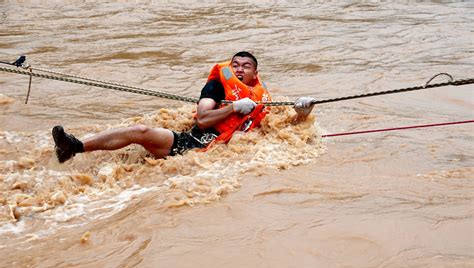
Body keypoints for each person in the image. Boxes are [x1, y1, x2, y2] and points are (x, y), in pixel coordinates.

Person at [52, 51, 316, 163]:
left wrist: (301, 114)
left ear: (256, 73)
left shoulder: (261, 97)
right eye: (234, 64)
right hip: (191, 145)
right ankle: (75, 147)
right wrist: (234, 106)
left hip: (225, 158)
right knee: (142, 131)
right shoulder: (215, 88)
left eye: (245, 66)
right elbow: (202, 120)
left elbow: (278, 131)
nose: (239, 69)